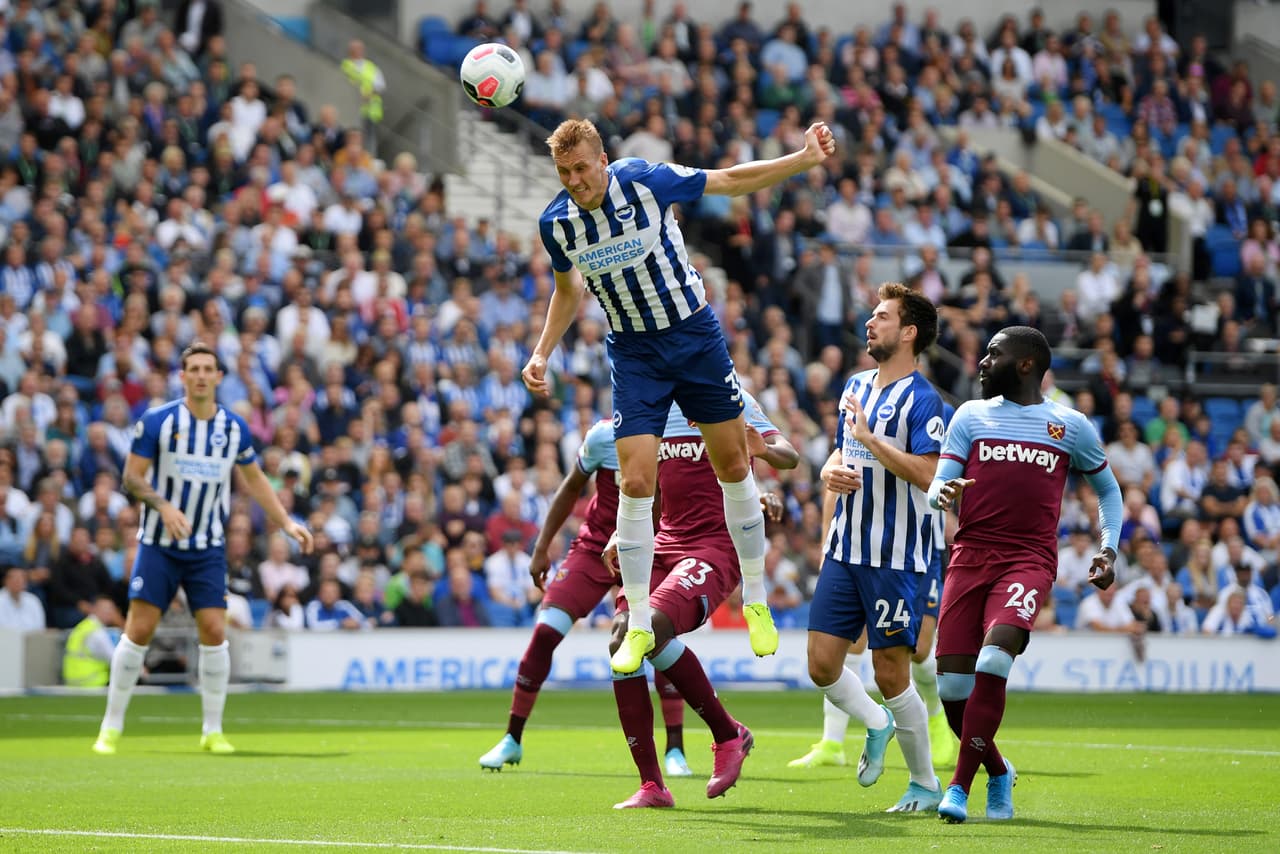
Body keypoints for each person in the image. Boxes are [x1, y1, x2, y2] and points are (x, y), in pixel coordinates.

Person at [522, 118, 837, 674]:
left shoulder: (645, 181)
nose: (574, 181)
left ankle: (756, 598)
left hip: (693, 337)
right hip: (634, 353)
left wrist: (803, 159)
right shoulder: (558, 224)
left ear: (603, 161)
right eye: (563, 172)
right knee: (635, 481)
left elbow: (728, 181)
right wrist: (542, 351)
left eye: (581, 168)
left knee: (734, 466)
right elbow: (567, 289)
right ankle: (640, 621)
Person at [928, 326, 1122, 823]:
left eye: (993, 353)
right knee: (952, 691)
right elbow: (938, 484)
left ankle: (958, 788)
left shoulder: (1069, 425)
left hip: (1028, 560)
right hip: (969, 557)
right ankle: (998, 771)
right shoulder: (970, 416)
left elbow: (1108, 490)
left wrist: (1108, 548)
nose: (982, 362)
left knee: (995, 658)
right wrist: (941, 494)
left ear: (1026, 364)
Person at [93, 343, 314, 756]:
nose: (199, 375)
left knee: (214, 630)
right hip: (159, 544)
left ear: (218, 377)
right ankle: (111, 725)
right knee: (138, 630)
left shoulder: (233, 428)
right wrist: (163, 506)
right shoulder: (158, 421)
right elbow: (131, 478)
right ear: (182, 376)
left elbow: (255, 479)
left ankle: (213, 730)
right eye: (192, 369)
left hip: (207, 547)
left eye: (207, 369)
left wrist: (285, 522)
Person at [607, 393, 799, 809]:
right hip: (663, 541)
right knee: (621, 637)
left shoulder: (726, 394)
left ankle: (726, 735)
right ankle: (653, 785)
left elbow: (789, 455)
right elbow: (648, 482)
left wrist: (764, 449)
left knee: (651, 626)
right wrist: (623, 533)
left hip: (714, 547)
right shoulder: (653, 402)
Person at [800, 284, 947, 813]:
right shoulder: (856, 385)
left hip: (896, 557)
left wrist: (872, 442)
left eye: (882, 317)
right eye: (871, 315)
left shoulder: (926, 401)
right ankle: (877, 721)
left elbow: (930, 473)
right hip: (846, 548)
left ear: (908, 333)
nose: (870, 322)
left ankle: (925, 784)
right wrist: (830, 470)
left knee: (890, 672)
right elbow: (840, 453)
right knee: (821, 664)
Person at [478, 419, 694, 779]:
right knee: (546, 631)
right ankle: (512, 738)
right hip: (595, 547)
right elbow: (570, 488)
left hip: (649, 548)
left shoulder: (673, 435)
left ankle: (675, 748)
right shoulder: (603, 435)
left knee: (655, 638)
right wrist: (541, 548)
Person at [791, 402, 958, 776]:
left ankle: (935, 717)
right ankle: (833, 741)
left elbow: (941, 475)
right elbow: (838, 473)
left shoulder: (936, 412)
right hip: (862, 549)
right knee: (848, 645)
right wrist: (829, 542)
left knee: (919, 651)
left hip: (920, 550)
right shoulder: (861, 407)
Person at [62, 595, 123, 687]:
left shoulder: (82, 627)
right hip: (92, 683)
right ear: (95, 609)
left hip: (73, 683)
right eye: (107, 610)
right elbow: (116, 659)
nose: (110, 613)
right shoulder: (97, 633)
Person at [0, 565, 45, 632]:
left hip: (31, 637)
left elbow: (40, 627)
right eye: (14, 579)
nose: (18, 582)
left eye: (21, 578)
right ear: (5, 581)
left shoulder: (33, 600)